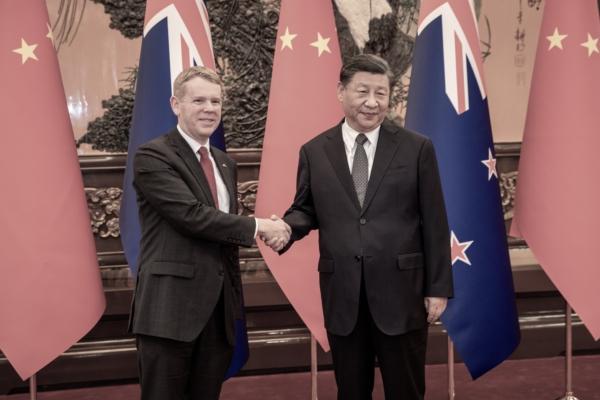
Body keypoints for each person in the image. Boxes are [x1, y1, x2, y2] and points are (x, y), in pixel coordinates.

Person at [275, 54, 454, 399]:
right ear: (341, 92)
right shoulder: (314, 151)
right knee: (351, 391)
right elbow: (305, 209)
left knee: (407, 390)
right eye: (362, 92)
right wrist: (285, 227)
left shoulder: (416, 148)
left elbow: (435, 220)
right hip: (344, 297)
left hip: (403, 295)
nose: (372, 103)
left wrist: (438, 287)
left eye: (381, 93)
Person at [128, 66, 290, 400]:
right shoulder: (153, 155)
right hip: (169, 312)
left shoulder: (224, 162)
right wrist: (262, 227)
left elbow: (222, 228)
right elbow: (192, 216)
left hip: (217, 313)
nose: (209, 108)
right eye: (198, 100)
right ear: (176, 104)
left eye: (215, 101)